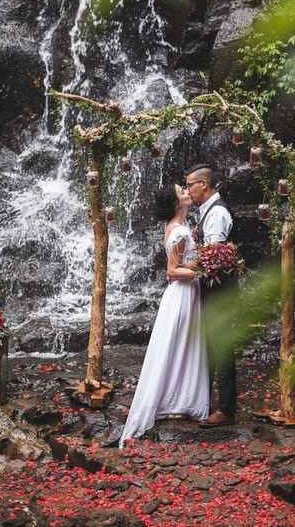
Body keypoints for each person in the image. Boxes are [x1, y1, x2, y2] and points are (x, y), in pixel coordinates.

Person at [119, 184, 209, 446]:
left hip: (181, 293)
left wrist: (196, 262)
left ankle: (177, 398)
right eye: (181, 191)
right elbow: (171, 271)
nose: (185, 191)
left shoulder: (176, 226)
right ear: (175, 203)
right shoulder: (179, 230)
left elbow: (181, 263)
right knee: (181, 344)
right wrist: (203, 270)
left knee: (180, 345)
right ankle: (177, 398)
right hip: (181, 292)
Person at [185, 164, 237, 427]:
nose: (187, 190)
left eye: (190, 185)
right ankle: (204, 401)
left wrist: (182, 270)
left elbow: (214, 258)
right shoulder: (207, 212)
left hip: (220, 293)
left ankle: (226, 410)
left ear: (203, 184)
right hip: (211, 291)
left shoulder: (216, 214)